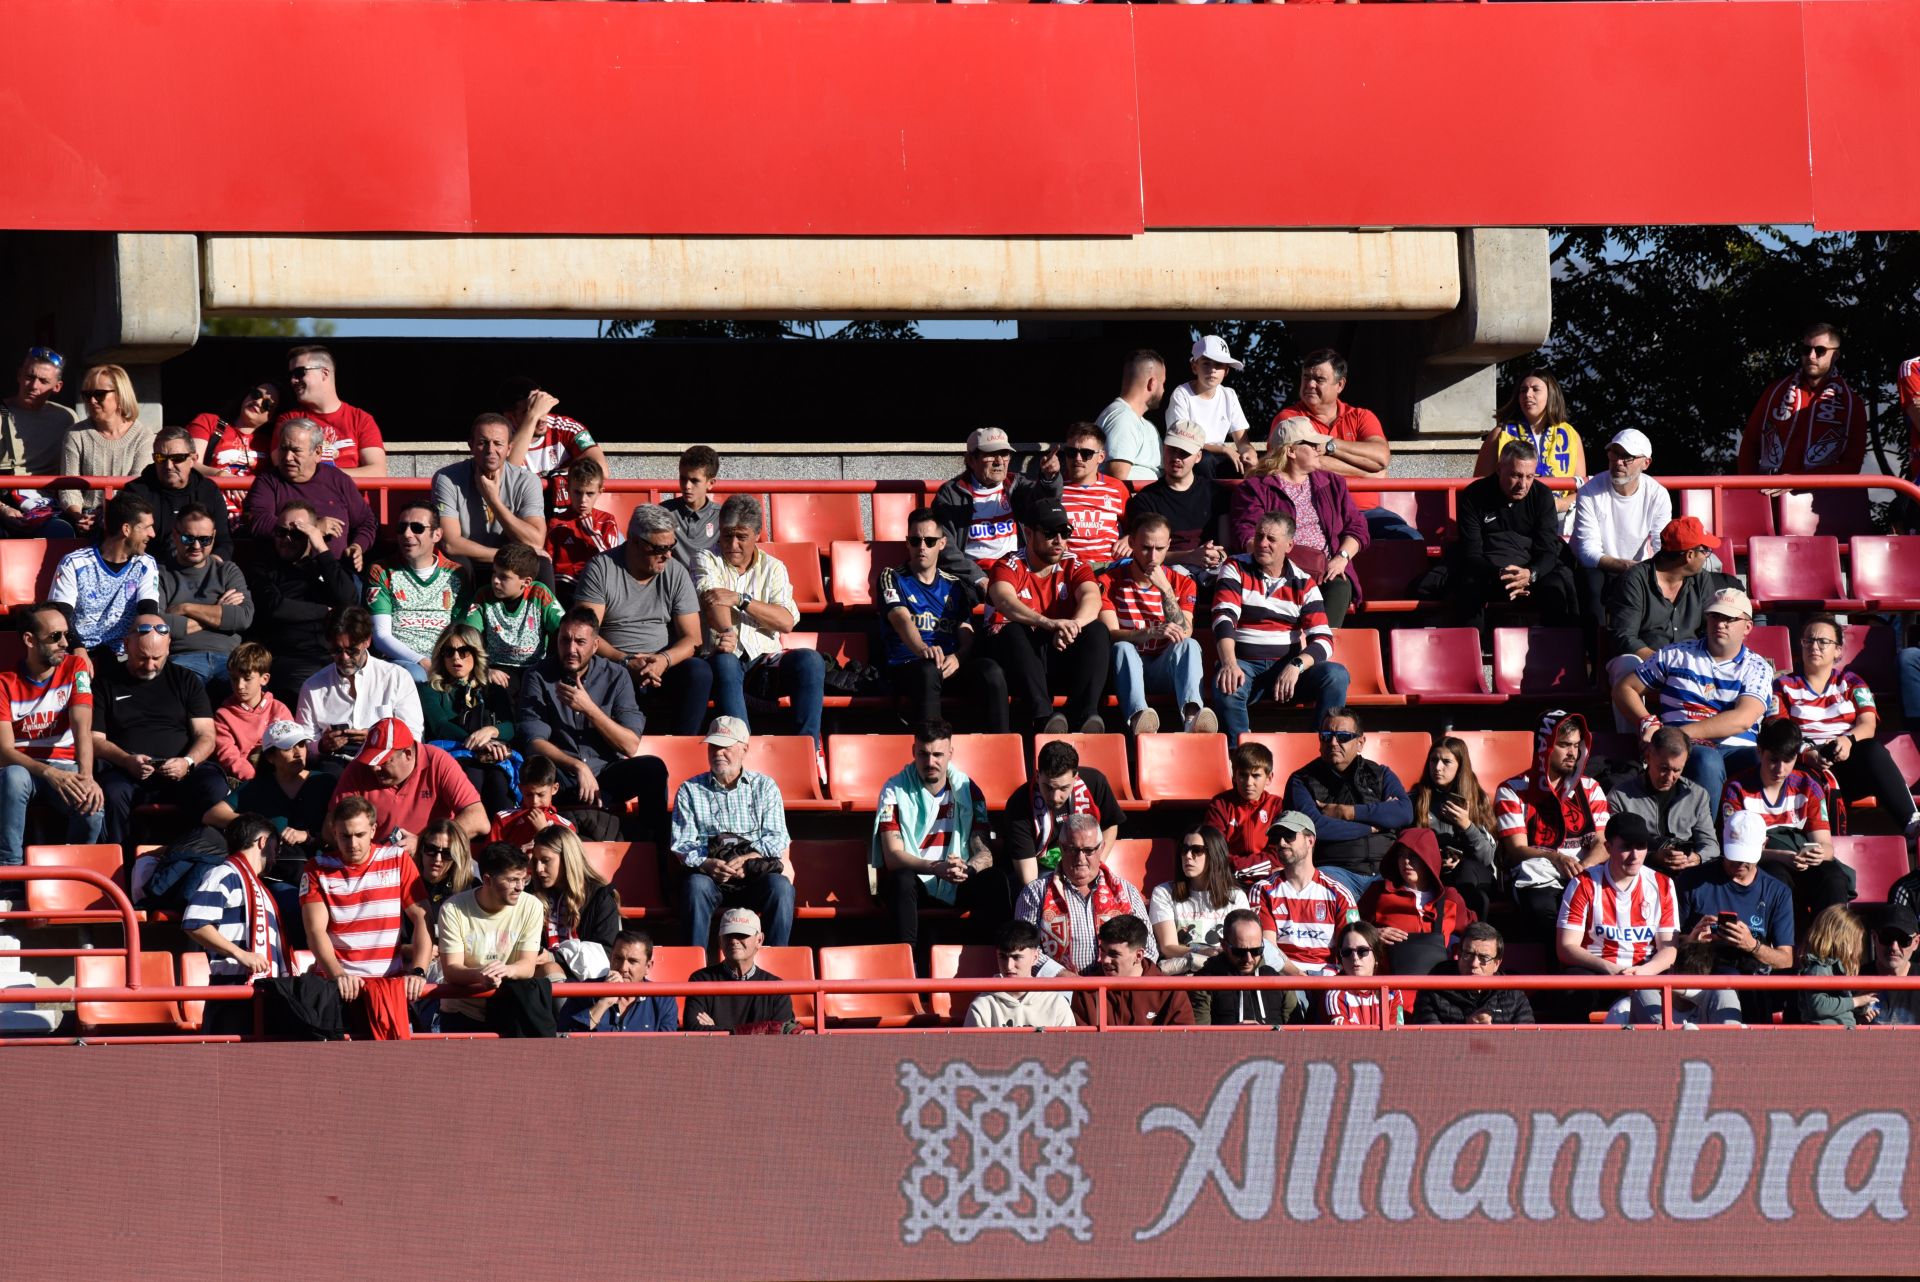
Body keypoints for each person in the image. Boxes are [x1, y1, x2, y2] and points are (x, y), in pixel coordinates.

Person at [517, 607, 665, 840]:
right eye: (565, 641)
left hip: (605, 774)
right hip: (561, 777)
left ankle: (652, 851)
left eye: (580, 642)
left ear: (595, 645)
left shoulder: (616, 676)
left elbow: (630, 745)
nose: (571, 649)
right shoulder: (538, 675)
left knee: (653, 769)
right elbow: (534, 743)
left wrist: (589, 709)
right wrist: (578, 766)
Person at [1615, 587, 1772, 806]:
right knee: (1708, 760)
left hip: (1737, 749)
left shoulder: (1758, 667)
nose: (1720, 623)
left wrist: (1678, 734)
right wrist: (1646, 721)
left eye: (1729, 618)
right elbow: (1625, 688)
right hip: (1685, 751)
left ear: (1747, 627)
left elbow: (1743, 718)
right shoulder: (1676, 654)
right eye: (1714, 616)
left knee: (1764, 760)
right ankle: (1704, 838)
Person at [696, 494, 826, 751]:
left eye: (741, 537)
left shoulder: (774, 568)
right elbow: (713, 599)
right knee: (725, 660)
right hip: (721, 656)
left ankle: (806, 751)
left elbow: (786, 621)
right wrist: (726, 632)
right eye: (726, 535)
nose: (732, 544)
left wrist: (742, 600)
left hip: (765, 661)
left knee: (811, 660)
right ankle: (741, 750)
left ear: (757, 535)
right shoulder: (705, 558)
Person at [1210, 513, 1349, 746]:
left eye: (1271, 539)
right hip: (1244, 664)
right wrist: (1229, 663)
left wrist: (1297, 665)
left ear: (1289, 545)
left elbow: (1324, 640)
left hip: (1287, 670)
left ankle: (1322, 749)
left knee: (1336, 675)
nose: (1262, 543)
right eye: (1259, 536)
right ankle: (1244, 758)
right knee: (1228, 683)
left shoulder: (1304, 583)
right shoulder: (1235, 566)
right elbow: (1223, 618)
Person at [574, 504, 713, 737]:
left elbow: (693, 638)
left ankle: (684, 745)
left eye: (671, 547)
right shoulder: (601, 568)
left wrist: (663, 660)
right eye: (660, 548)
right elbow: (587, 633)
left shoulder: (675, 572)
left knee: (699, 672)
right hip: (614, 663)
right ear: (635, 542)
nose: (667, 555)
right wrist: (625, 661)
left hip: (662, 666)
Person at [1774, 613, 1918, 837]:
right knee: (1804, 776)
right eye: (1808, 640)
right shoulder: (1783, 685)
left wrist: (1848, 740)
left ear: (1838, 650)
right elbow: (1779, 732)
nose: (1815, 646)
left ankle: (1912, 823)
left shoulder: (1852, 682)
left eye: (1823, 642)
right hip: (1804, 764)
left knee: (1872, 749)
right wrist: (1807, 754)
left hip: (1845, 759)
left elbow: (1868, 723)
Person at [91, 614, 225, 847]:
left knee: (214, 785)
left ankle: (202, 854)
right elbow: (94, 740)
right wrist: (126, 760)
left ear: (169, 646)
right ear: (126, 645)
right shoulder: (106, 683)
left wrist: (187, 762)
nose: (150, 665)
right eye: (142, 658)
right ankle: (120, 864)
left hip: (181, 771)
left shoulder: (185, 680)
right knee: (111, 792)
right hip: (126, 772)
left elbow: (207, 735)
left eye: (157, 658)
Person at [873, 720, 1001, 961]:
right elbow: (892, 855)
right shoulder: (894, 789)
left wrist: (968, 869)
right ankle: (906, 966)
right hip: (918, 879)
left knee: (994, 880)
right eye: (923, 754)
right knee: (901, 880)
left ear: (950, 753)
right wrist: (935, 868)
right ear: (913, 752)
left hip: (958, 877)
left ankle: (992, 963)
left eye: (938, 754)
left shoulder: (969, 789)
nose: (930, 762)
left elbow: (984, 850)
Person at [984, 497, 1112, 735]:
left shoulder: (1074, 564)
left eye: (1065, 532)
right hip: (1015, 659)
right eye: (1051, 533)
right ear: (1029, 534)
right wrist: (1048, 623)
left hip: (1055, 650)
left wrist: (1072, 626)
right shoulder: (1008, 565)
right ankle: (1043, 718)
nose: (1059, 541)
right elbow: (1005, 601)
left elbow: (1092, 599)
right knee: (1013, 629)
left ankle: (1083, 715)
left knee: (1096, 630)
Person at [1264, 349, 1418, 542]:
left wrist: (1331, 445)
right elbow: (1310, 463)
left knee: (1410, 539)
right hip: (1312, 512)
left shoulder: (1361, 416)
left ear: (1340, 384)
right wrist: (1367, 473)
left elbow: (1380, 458)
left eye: (1319, 379)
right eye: (1306, 377)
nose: (1310, 384)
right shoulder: (1289, 419)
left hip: (1365, 512)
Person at [670, 716, 794, 950]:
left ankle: (778, 967)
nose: (718, 752)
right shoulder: (689, 790)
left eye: (725, 746)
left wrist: (749, 858)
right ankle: (692, 968)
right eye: (713, 746)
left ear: (744, 749)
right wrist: (707, 863)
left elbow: (778, 837)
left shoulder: (765, 786)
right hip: (711, 878)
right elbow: (683, 844)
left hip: (754, 875)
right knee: (696, 886)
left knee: (781, 888)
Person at [1230, 417, 1369, 626]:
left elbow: (1358, 527)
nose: (1318, 449)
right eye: (1312, 444)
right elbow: (1247, 534)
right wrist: (1277, 564)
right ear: (1291, 451)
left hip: (1327, 571)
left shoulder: (1332, 483)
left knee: (1340, 586)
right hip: (1276, 573)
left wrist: (1342, 557)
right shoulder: (1256, 488)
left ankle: (1320, 649)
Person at [879, 508, 1007, 734]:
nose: (922, 547)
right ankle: (932, 753)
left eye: (929, 541)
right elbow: (900, 618)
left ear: (942, 543)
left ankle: (1002, 749)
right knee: (928, 670)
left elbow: (966, 630)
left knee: (991, 671)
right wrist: (922, 649)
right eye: (915, 540)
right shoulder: (892, 576)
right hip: (908, 665)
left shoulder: (955, 585)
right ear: (907, 543)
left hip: (949, 665)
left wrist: (958, 657)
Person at [0, 603, 104, 868]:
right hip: (22, 768)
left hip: (65, 765)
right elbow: (4, 751)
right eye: (55, 636)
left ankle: (75, 876)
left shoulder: (75, 666)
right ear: (29, 640)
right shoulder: (4, 683)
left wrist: (87, 777)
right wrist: (48, 773)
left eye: (66, 635)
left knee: (92, 804)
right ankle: (9, 875)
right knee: (12, 777)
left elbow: (83, 725)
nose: (65, 643)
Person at [1555, 812, 1682, 1025]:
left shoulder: (1662, 884)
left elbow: (1669, 949)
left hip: (1645, 971)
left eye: (1641, 846)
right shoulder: (1583, 884)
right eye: (1626, 847)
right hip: (1599, 971)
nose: (1635, 855)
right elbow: (1566, 947)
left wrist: (1643, 974)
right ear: (1607, 848)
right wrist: (1612, 970)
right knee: (1573, 987)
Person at [299, 796, 432, 998]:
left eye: (359, 834)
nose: (353, 843)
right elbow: (315, 931)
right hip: (336, 988)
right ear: (334, 832)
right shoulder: (316, 868)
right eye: (345, 836)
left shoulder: (397, 859)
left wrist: (418, 970)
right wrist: (339, 976)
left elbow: (423, 917)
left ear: (373, 830)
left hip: (389, 986)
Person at [1720, 716, 1852, 921]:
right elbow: (1735, 851)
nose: (1780, 769)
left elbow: (1826, 846)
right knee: (1774, 876)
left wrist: (1817, 855)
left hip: (1802, 864)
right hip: (1764, 863)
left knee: (1833, 878)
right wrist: (1781, 856)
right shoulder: (1737, 788)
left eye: (1788, 760)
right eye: (1773, 759)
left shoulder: (1808, 785)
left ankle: (1830, 947)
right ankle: (1785, 946)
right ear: (1759, 752)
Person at [1495, 710, 1612, 936]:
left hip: (1585, 869)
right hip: (1539, 873)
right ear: (1544, 747)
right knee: (1545, 916)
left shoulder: (1591, 787)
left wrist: (1583, 869)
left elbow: (1602, 842)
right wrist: (1557, 858)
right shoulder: (1513, 789)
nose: (1573, 753)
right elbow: (1516, 850)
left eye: (1577, 745)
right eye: (1564, 745)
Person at [1100, 512, 1213, 736]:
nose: (1152, 556)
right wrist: (1148, 633)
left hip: (1164, 667)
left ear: (1168, 545)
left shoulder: (1182, 583)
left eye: (1160, 549)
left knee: (1189, 645)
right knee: (1123, 648)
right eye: (1145, 547)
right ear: (1131, 542)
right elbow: (1111, 634)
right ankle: (1140, 719)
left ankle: (1192, 718)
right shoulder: (1108, 581)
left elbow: (1185, 632)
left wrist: (1166, 590)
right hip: (1127, 669)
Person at [1602, 516, 1745, 694]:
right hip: (1646, 662)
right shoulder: (1634, 580)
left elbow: (1707, 628)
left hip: (1693, 661)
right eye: (1705, 550)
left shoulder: (1702, 579)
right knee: (1625, 665)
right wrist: (1664, 662)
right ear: (1689, 555)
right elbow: (1624, 637)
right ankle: (1640, 722)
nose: (1707, 555)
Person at [1447, 440, 1578, 632]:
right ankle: (1471, 655)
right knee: (1466, 588)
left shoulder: (1542, 496)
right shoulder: (1474, 495)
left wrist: (1530, 574)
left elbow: (1548, 551)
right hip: (1487, 570)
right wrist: (1501, 574)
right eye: (1516, 475)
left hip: (1530, 572)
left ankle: (1559, 657)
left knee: (1557, 588)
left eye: (1530, 476)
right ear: (1499, 469)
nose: (1523, 484)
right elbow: (1471, 552)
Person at [1679, 811, 1795, 1022]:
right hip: (1700, 979)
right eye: (1734, 856)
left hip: (1751, 984)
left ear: (1764, 845)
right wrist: (1692, 941)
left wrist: (1751, 945)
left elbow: (1786, 959)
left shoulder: (1777, 892)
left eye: (1746, 857)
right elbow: (1668, 946)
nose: (1739, 863)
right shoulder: (1691, 881)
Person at [1282, 709, 1411, 895]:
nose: (1333, 743)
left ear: (1360, 743)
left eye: (1342, 736)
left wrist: (1348, 813)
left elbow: (1404, 812)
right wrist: (1372, 826)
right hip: (1336, 870)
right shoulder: (1302, 780)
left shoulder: (1381, 774)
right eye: (1326, 736)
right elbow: (1313, 827)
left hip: (1386, 869)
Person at [180, 813, 287, 1035]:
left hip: (260, 991)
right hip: (233, 990)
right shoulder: (225, 873)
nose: (276, 858)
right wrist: (241, 953)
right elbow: (195, 922)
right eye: (276, 849)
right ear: (263, 842)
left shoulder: (256, 885)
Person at [245, 499, 361, 704]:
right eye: (281, 532)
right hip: (290, 657)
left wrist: (321, 548)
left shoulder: (325, 566)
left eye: (297, 533)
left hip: (333, 656)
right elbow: (274, 606)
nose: (287, 539)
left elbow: (349, 599)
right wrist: (325, 611)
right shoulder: (262, 567)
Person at [1013, 813, 1154, 973]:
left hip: (1116, 991)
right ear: (1061, 847)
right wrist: (1061, 975)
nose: (1080, 858)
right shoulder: (1035, 893)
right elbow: (1022, 948)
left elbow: (1148, 948)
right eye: (1072, 849)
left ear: (1101, 848)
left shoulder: (1127, 891)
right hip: (1056, 993)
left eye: (1088, 850)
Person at [930, 426, 1060, 592]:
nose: (999, 461)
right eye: (990, 454)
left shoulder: (1016, 484)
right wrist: (978, 578)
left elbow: (1046, 505)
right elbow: (944, 547)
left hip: (1017, 571)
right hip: (973, 576)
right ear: (971, 460)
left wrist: (1049, 478)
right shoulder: (951, 493)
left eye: (1004, 454)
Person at [333, 716, 489, 851]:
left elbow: (478, 819)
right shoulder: (360, 767)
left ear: (407, 754)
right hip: (377, 867)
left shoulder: (437, 761)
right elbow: (331, 826)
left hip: (432, 863)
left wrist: (425, 843)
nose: (374, 768)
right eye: (371, 760)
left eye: (383, 761)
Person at [294, 606, 424, 768]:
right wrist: (322, 745)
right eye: (337, 651)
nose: (344, 658)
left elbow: (413, 735)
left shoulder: (396, 677)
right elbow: (304, 742)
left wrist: (378, 738)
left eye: (352, 651)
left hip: (386, 762)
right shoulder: (313, 687)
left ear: (367, 641)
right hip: (336, 764)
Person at [434, 841, 544, 1032]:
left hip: (509, 1007)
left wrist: (506, 971)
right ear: (487, 880)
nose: (520, 887)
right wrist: (480, 976)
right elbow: (451, 969)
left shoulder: (532, 906)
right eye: (511, 880)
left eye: (523, 879)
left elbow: (527, 966)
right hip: (461, 1011)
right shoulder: (453, 910)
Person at [239, 418, 376, 569]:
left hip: (336, 572)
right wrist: (313, 527)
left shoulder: (338, 479)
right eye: (283, 449)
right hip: (286, 575)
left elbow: (366, 522)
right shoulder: (267, 481)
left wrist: (358, 546)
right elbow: (257, 522)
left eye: (296, 451)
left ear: (317, 453)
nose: (287, 457)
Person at [1737, 322, 1867, 476]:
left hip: (1821, 497)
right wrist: (1748, 489)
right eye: (1806, 350)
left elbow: (1852, 466)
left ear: (1836, 355)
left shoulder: (1852, 404)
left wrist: (1797, 481)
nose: (1811, 356)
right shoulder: (1775, 391)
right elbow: (1750, 443)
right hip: (1768, 492)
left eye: (1820, 351)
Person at [420, 624, 518, 816]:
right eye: (449, 651)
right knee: (473, 776)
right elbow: (440, 726)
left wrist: (491, 732)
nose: (456, 657)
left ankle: (505, 840)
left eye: (463, 651)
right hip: (452, 754)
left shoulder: (493, 690)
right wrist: (480, 743)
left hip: (490, 755)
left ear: (475, 653)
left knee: (498, 780)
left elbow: (509, 728)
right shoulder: (430, 690)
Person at [1571, 428, 1670, 617]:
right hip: (1600, 569)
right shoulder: (1589, 491)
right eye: (1614, 453)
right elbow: (1587, 553)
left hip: (1637, 568)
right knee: (1591, 582)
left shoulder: (1658, 494)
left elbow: (1661, 544)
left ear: (1646, 463)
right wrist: (1630, 567)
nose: (1618, 462)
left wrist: (1644, 570)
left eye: (1627, 457)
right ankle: (1595, 646)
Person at [216, 720, 335, 876]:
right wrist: (262, 826)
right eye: (288, 747)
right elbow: (213, 814)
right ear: (270, 757)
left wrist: (308, 837)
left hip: (324, 870)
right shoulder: (258, 786)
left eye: (301, 745)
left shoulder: (325, 782)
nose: (298, 753)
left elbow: (342, 829)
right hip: (277, 873)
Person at [432, 413, 547, 571]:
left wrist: (493, 500)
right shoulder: (447, 478)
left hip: (511, 567)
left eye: (498, 443)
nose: (490, 450)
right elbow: (450, 544)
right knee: (459, 564)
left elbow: (535, 542)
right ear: (471, 445)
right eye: (482, 442)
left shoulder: (527, 481)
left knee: (542, 564)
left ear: (509, 448)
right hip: (470, 559)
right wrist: (504, 555)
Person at [48, 491, 159, 656]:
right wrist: (78, 649)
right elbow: (60, 615)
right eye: (147, 527)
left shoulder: (146, 564)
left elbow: (148, 612)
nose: (152, 534)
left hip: (125, 657)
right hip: (78, 651)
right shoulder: (75, 563)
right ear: (126, 529)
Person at [1003, 739, 1125, 888]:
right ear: (1037, 775)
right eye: (1048, 787)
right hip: (1044, 871)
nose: (1055, 797)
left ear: (1075, 777)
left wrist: (1095, 865)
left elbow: (1110, 824)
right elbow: (1030, 879)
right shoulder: (1019, 804)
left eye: (1063, 788)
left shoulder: (1095, 782)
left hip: (1087, 861)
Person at [1251, 809, 1359, 975]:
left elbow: (1352, 948)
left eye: (1289, 836)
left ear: (1310, 841)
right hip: (1282, 977)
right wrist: (1299, 977)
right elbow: (1267, 948)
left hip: (1328, 978)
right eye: (1276, 838)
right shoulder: (1263, 890)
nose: (1281, 843)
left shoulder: (1339, 893)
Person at [367, 498, 464, 683]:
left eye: (417, 528)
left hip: (448, 657)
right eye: (402, 527)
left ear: (437, 534)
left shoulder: (456, 574)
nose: (407, 534)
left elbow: (460, 629)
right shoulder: (381, 570)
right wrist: (421, 661)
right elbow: (381, 636)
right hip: (401, 661)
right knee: (417, 676)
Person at [156, 505, 252, 692]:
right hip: (183, 658)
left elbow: (243, 618)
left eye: (204, 539)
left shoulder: (227, 570)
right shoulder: (160, 574)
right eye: (188, 538)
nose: (196, 546)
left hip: (231, 660)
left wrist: (185, 608)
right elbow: (160, 625)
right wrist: (219, 613)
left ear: (214, 537)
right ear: (175, 535)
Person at [1357, 829, 1476, 975]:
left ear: (1429, 857)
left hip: (1435, 993)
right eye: (1401, 855)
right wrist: (1373, 934)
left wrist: (1460, 952)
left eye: (1413, 855)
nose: (1406, 861)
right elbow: (1348, 930)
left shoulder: (1450, 898)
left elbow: (1477, 933)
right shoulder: (1379, 893)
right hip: (1391, 991)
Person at [1607, 726, 1721, 878]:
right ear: (1648, 757)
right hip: (1639, 874)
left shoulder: (1697, 795)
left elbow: (1711, 845)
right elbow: (1614, 848)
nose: (1669, 777)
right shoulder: (1619, 796)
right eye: (1663, 768)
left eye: (1677, 770)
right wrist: (1653, 858)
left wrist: (1697, 858)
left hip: (1685, 874)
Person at [1473, 370, 1584, 523]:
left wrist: (1555, 506)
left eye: (1535, 389)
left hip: (1558, 516)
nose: (1528, 394)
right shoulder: (1499, 434)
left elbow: (1581, 489)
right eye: (1523, 390)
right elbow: (1479, 486)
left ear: (1551, 395)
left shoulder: (1571, 436)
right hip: (1510, 515)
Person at [58, 364, 157, 533]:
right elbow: (69, 485)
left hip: (126, 517)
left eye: (99, 394)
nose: (92, 401)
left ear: (120, 395)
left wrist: (106, 515)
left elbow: (136, 488)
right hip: (84, 515)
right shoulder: (76, 434)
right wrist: (78, 517)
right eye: (87, 395)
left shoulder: (144, 436)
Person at [1408, 736, 1498, 921]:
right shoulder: (1417, 798)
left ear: (1460, 766)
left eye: (1446, 762)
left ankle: (1469, 937)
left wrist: (1466, 825)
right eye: (1434, 760)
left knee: (1466, 871)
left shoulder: (1477, 798)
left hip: (1474, 874)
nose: (1438, 767)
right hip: (1432, 872)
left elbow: (1487, 858)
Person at [1124, 420, 1228, 573]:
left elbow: (1228, 548)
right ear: (1163, 449)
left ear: (1198, 457)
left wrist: (1219, 555)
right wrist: (1190, 556)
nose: (1176, 457)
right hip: (1167, 573)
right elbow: (1145, 554)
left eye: (1184, 453)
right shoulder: (1145, 499)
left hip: (1214, 571)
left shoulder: (1217, 494)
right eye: (1172, 450)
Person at [123, 425, 234, 564]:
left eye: (177, 458)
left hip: (199, 572)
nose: (168, 465)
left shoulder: (208, 491)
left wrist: (207, 570)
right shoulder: (136, 492)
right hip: (149, 571)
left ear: (193, 459)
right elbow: (124, 543)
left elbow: (224, 543)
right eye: (160, 458)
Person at [1147, 825, 1249, 975]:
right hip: (1184, 973)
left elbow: (1243, 945)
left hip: (1224, 974)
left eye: (1197, 850)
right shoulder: (1164, 893)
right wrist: (1204, 951)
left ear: (1214, 854)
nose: (1188, 856)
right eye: (1184, 849)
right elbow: (1168, 948)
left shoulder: (1236, 896)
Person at [459, 539, 562, 686]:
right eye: (494, 573)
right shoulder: (483, 596)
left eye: (504, 577)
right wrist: (484, 669)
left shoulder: (539, 594)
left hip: (535, 666)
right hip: (497, 668)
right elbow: (468, 636)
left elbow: (564, 628)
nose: (495, 580)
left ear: (526, 582)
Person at [0, 347, 78, 537]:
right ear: (19, 375)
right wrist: (2, 510)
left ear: (57, 387)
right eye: (29, 376)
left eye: (44, 381)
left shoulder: (66, 418)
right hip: (5, 501)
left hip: (47, 505)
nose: (34, 385)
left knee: (65, 533)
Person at [276, 345, 387, 476]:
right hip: (305, 496)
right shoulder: (288, 420)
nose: (293, 380)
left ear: (324, 373)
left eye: (299, 373)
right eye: (291, 375)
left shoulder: (360, 419)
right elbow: (284, 468)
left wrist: (327, 476)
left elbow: (377, 472)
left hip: (348, 496)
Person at [1070, 914, 1192, 1027]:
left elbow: (1182, 1045)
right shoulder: (1086, 992)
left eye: (1114, 954)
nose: (1105, 960)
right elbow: (1082, 1046)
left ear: (1138, 956)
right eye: (1103, 951)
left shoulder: (1171, 993)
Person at [685, 907, 795, 1032]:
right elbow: (693, 1029)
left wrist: (717, 1031)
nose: (734, 941)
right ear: (720, 941)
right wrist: (760, 1030)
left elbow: (781, 1036)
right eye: (728, 935)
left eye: (742, 935)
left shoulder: (778, 989)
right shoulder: (700, 980)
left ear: (759, 940)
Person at [530, 824, 620, 972]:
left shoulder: (600, 897)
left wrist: (556, 958)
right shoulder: (532, 895)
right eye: (535, 861)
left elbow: (607, 952)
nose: (539, 869)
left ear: (567, 859)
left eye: (546, 860)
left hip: (589, 983)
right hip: (541, 979)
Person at [499, 376, 609, 494]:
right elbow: (506, 475)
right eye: (530, 411)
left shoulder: (566, 427)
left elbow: (601, 469)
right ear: (510, 417)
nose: (542, 418)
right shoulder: (499, 437)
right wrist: (532, 417)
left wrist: (551, 476)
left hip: (565, 510)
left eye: (543, 408)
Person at [1165, 335, 1255, 477]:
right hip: (1188, 457)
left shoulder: (1229, 395)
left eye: (1219, 364)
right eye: (1206, 363)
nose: (1212, 370)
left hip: (1217, 459)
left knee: (1242, 466)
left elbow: (1242, 441)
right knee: (1204, 461)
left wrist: (1249, 453)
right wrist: (1224, 450)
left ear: (1226, 371)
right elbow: (1185, 441)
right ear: (1195, 367)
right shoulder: (1181, 394)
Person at [1410, 923, 1535, 1025]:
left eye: (1483, 958)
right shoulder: (1433, 988)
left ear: (1497, 964)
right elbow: (1426, 1044)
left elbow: (1526, 1044)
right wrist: (1465, 1029)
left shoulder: (1513, 995)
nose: (1474, 963)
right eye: (1467, 955)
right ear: (1458, 955)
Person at [187, 381, 276, 522]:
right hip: (207, 516)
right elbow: (188, 463)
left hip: (251, 521)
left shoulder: (272, 443)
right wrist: (221, 475)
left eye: (267, 404)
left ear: (273, 416)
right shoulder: (209, 422)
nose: (258, 402)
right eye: (256, 394)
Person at [962, 919, 1074, 1029]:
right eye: (1003, 957)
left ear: (1035, 957)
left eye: (1017, 957)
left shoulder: (1056, 1004)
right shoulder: (982, 1006)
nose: (1009, 966)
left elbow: (1069, 1046)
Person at [1202, 742, 1285, 884]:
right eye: (1243, 775)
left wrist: (1237, 868)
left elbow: (1278, 855)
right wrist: (1245, 869)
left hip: (1267, 882)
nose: (1248, 782)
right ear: (1234, 776)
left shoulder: (1277, 806)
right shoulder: (1220, 804)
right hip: (1227, 881)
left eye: (1256, 775)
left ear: (1269, 778)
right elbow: (1215, 851)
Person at [1190, 909, 1290, 1026]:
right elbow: (1199, 1037)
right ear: (1223, 945)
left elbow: (1298, 1032)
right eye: (1239, 952)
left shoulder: (1278, 980)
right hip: (1226, 1044)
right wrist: (1234, 1034)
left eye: (1255, 950)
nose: (1248, 959)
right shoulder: (1204, 982)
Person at [568, 929, 679, 1034]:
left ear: (648, 967)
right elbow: (566, 1043)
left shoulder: (663, 1000)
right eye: (618, 958)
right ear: (610, 958)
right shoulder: (585, 991)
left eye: (632, 961)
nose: (623, 968)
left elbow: (667, 1049)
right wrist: (603, 1003)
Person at [1054, 422, 1131, 568]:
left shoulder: (1116, 488)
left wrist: (1130, 539)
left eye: (1086, 453)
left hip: (1109, 568)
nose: (1077, 458)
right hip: (1068, 568)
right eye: (1071, 452)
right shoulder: (1055, 487)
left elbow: (1135, 525)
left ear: (1101, 457)